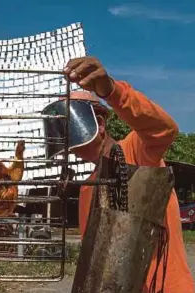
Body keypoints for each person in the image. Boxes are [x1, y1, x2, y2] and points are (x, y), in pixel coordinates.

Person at [54, 56, 193, 292]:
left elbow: (165, 129)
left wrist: (111, 91)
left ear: (98, 123)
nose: (66, 140)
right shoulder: (89, 188)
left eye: (68, 128)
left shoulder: (137, 152)